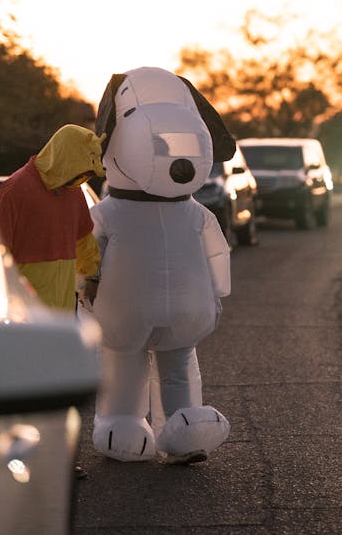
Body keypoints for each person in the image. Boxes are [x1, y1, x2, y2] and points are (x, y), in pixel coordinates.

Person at [88, 66, 234, 464]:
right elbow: (218, 257)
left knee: (173, 363)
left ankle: (181, 426)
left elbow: (216, 254)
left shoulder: (190, 213)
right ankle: (124, 420)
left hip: (150, 312)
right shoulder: (112, 212)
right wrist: (218, 292)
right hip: (136, 312)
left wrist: (84, 290)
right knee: (136, 365)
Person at [0, 123, 106, 311]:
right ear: (65, 157)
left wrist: (93, 277)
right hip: (26, 315)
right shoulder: (16, 189)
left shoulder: (73, 191)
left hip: (65, 312)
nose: (83, 178)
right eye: (82, 170)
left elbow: (84, 241)